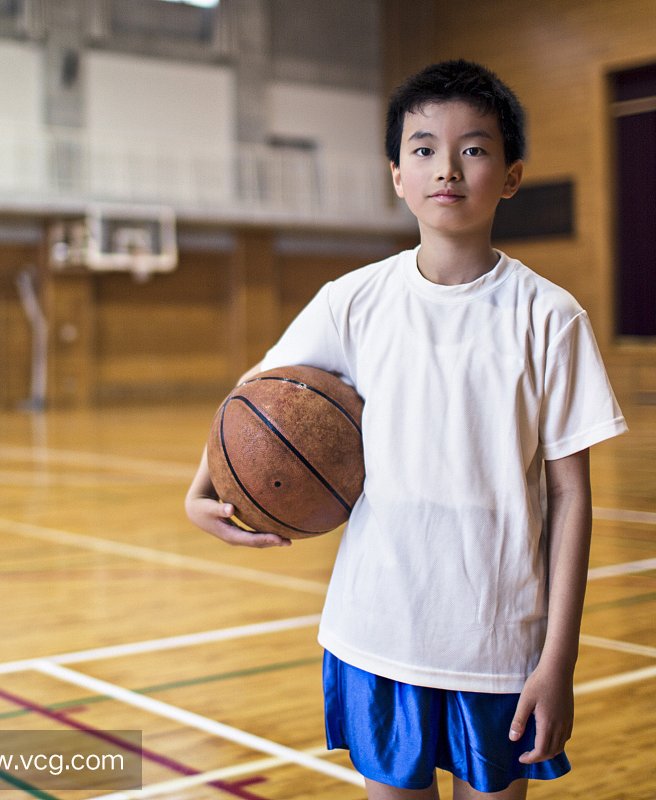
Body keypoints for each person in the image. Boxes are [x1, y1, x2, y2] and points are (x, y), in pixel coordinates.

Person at [185, 59, 627, 800]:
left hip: (499, 645)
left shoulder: (549, 317)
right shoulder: (351, 301)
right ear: (396, 174)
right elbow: (253, 405)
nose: (446, 168)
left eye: (474, 148)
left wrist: (559, 661)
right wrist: (199, 489)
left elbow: (572, 497)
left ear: (511, 175)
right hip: (376, 634)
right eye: (422, 149)